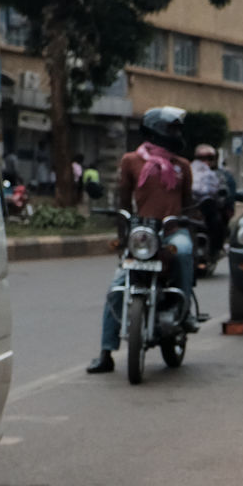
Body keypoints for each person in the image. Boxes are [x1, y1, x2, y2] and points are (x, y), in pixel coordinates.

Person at [86, 106, 199, 375]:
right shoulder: (131, 161)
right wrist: (123, 237)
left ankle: (185, 314)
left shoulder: (182, 166)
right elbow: (123, 202)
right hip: (143, 235)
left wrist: (191, 224)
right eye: (172, 128)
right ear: (158, 129)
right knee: (117, 286)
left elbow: (188, 204)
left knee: (183, 253)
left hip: (172, 232)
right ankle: (106, 352)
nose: (177, 133)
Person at [191, 143, 230, 258]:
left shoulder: (219, 175)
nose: (206, 161)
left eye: (209, 158)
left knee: (218, 221)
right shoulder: (189, 170)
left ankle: (216, 249)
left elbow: (224, 193)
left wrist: (221, 196)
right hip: (190, 208)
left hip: (209, 208)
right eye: (201, 158)